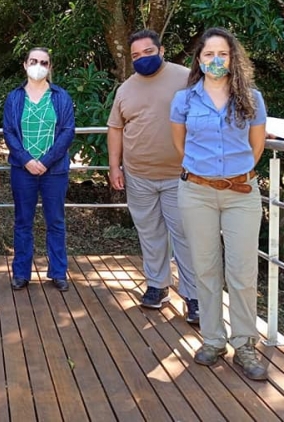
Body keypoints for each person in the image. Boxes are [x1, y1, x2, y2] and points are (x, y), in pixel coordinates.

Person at [170, 27, 268, 381]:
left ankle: (244, 344)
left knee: (242, 272)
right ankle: (213, 338)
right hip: (196, 192)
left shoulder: (252, 99)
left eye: (222, 54)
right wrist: (206, 175)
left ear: (232, 58)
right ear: (199, 59)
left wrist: (231, 175)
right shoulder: (183, 101)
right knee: (205, 268)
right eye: (208, 54)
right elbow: (180, 146)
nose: (215, 60)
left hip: (241, 193)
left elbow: (256, 148)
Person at [107, 30, 199, 323]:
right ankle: (157, 286)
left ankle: (194, 295)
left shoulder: (187, 79)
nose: (141, 59)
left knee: (186, 235)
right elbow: (115, 128)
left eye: (147, 52)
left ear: (161, 50)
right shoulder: (126, 89)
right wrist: (114, 166)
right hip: (138, 175)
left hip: (180, 175)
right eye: (135, 55)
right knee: (150, 233)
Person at [3, 47, 75, 292]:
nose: (38, 65)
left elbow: (67, 132)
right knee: (23, 222)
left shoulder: (60, 96)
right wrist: (26, 160)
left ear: (50, 67)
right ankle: (21, 273)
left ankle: (58, 272)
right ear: (25, 64)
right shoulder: (14, 97)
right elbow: (9, 132)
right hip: (23, 171)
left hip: (54, 171)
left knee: (55, 221)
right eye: (34, 61)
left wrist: (45, 161)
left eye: (44, 62)